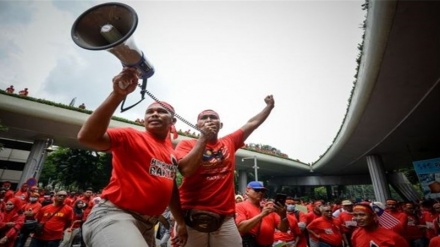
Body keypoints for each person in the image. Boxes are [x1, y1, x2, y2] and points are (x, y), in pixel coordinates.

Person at [77, 67, 187, 247]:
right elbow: (87, 137)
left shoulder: (171, 153)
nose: (154, 114)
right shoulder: (130, 136)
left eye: (161, 111)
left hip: (147, 225)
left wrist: (180, 222)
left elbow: (170, 189)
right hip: (115, 215)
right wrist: (117, 95)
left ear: (173, 121)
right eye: (149, 112)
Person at [175, 95, 275, 247]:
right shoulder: (186, 144)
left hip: (225, 218)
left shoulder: (229, 141)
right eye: (204, 118)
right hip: (191, 216)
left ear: (220, 125)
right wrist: (203, 138)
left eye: (213, 117)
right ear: (197, 125)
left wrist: (269, 106)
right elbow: (186, 171)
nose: (209, 120)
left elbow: (252, 123)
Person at [235, 181, 288, 247]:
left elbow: (284, 229)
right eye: (257, 190)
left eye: (263, 191)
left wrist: (283, 216)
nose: (260, 193)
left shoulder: (268, 208)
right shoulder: (239, 206)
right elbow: (241, 228)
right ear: (247, 191)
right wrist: (262, 215)